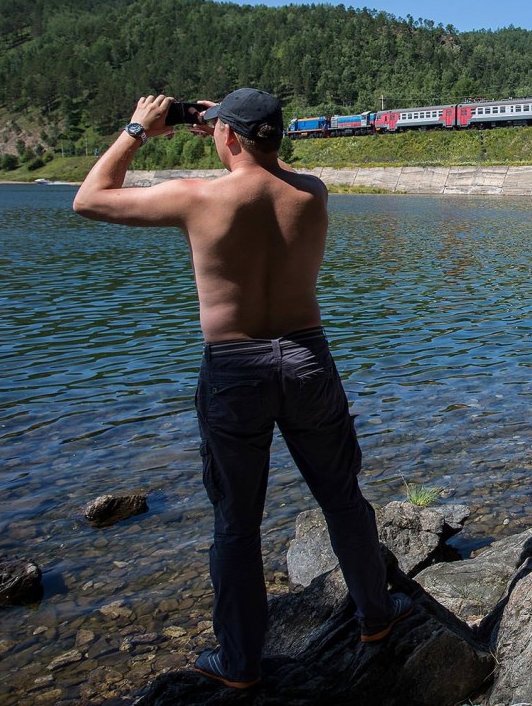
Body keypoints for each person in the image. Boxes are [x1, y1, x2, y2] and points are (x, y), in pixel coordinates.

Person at [73, 90, 408, 690]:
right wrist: (230, 131)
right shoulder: (312, 191)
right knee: (342, 498)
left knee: (237, 523)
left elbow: (89, 199)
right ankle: (376, 619)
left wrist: (138, 129)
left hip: (236, 367)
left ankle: (240, 664)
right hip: (307, 357)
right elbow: (263, 162)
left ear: (227, 135)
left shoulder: (197, 196)